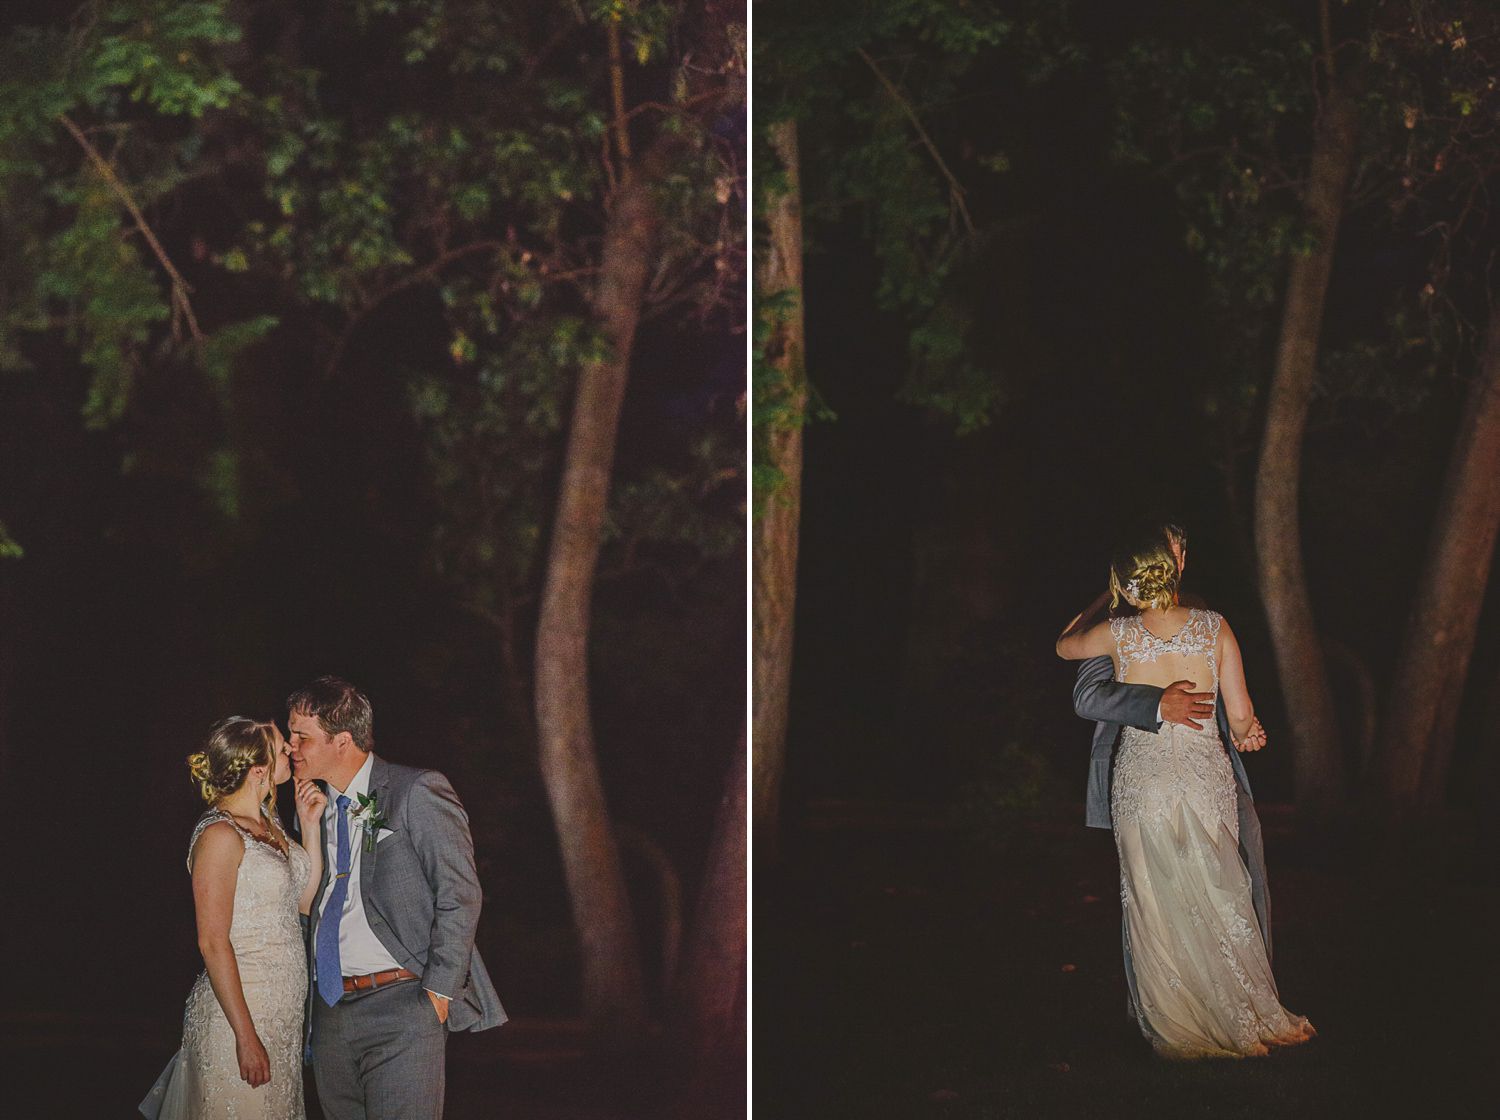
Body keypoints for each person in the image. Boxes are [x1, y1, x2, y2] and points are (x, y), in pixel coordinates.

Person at [1057, 533, 1314, 1058]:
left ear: (1123, 580)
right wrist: (1247, 731)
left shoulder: (1116, 633)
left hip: (1143, 781)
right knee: (1220, 893)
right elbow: (1239, 714)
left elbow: (1064, 645)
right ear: (1169, 567)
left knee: (1154, 899)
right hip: (1202, 775)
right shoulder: (1214, 625)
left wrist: (1105, 599)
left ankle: (1177, 1023)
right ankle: (1241, 1013)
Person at [287, 676, 505, 1120]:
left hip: (404, 1007)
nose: (290, 745)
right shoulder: (310, 806)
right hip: (330, 1011)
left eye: (301, 736)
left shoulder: (416, 790)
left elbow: (460, 893)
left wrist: (438, 994)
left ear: (342, 741)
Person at [141, 717, 327, 1119]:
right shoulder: (220, 835)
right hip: (241, 1011)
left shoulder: (270, 823)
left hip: (284, 1013)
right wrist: (245, 1036)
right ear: (259, 769)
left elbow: (305, 902)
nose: (292, 752)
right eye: (282, 749)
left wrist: (310, 828)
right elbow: (211, 940)